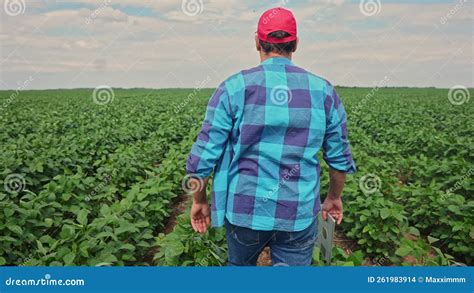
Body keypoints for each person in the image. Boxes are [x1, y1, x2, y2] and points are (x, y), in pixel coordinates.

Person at [186, 7, 356, 266]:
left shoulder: (234, 88)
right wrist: (333, 197)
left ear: (257, 42)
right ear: (295, 44)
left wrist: (199, 200)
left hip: (244, 211)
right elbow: (339, 159)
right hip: (297, 214)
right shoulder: (323, 91)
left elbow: (202, 159)